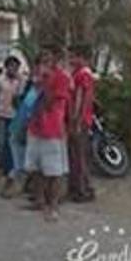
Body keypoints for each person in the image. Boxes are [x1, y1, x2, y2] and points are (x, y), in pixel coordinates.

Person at [24, 45, 72, 222]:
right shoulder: (38, 77)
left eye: (47, 60)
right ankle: (39, 200)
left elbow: (50, 101)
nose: (43, 64)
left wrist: (45, 81)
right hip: (35, 128)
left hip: (52, 130)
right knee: (35, 167)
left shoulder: (61, 77)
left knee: (54, 170)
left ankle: (53, 206)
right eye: (41, 60)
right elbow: (28, 100)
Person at [1, 56, 43, 198]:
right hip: (19, 123)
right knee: (17, 152)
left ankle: (21, 183)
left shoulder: (42, 88)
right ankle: (17, 180)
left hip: (31, 126)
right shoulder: (30, 85)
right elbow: (18, 100)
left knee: (27, 157)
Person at [0, 56, 24, 197]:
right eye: (10, 66)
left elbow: (21, 97)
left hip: (15, 116)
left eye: (15, 67)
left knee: (12, 143)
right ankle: (5, 168)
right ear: (6, 67)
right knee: (3, 142)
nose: (13, 69)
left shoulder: (20, 80)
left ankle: (12, 169)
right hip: (2, 114)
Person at [67, 43, 96, 202]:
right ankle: (77, 187)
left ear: (81, 57)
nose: (70, 60)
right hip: (80, 118)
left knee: (79, 156)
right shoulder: (79, 73)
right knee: (75, 155)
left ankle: (82, 190)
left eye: (73, 56)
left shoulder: (83, 74)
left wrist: (76, 119)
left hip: (80, 119)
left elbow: (81, 98)